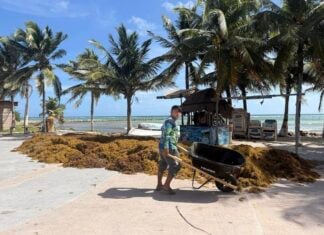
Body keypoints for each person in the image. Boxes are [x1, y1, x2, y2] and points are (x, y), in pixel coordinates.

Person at [156, 105, 182, 194]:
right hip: (169, 148)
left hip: (162, 146)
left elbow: (165, 134)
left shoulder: (167, 120)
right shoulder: (170, 121)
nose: (177, 113)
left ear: (180, 114)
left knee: (163, 164)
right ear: (171, 112)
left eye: (178, 112)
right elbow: (167, 135)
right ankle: (166, 186)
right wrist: (166, 147)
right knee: (176, 165)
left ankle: (159, 184)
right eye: (174, 111)